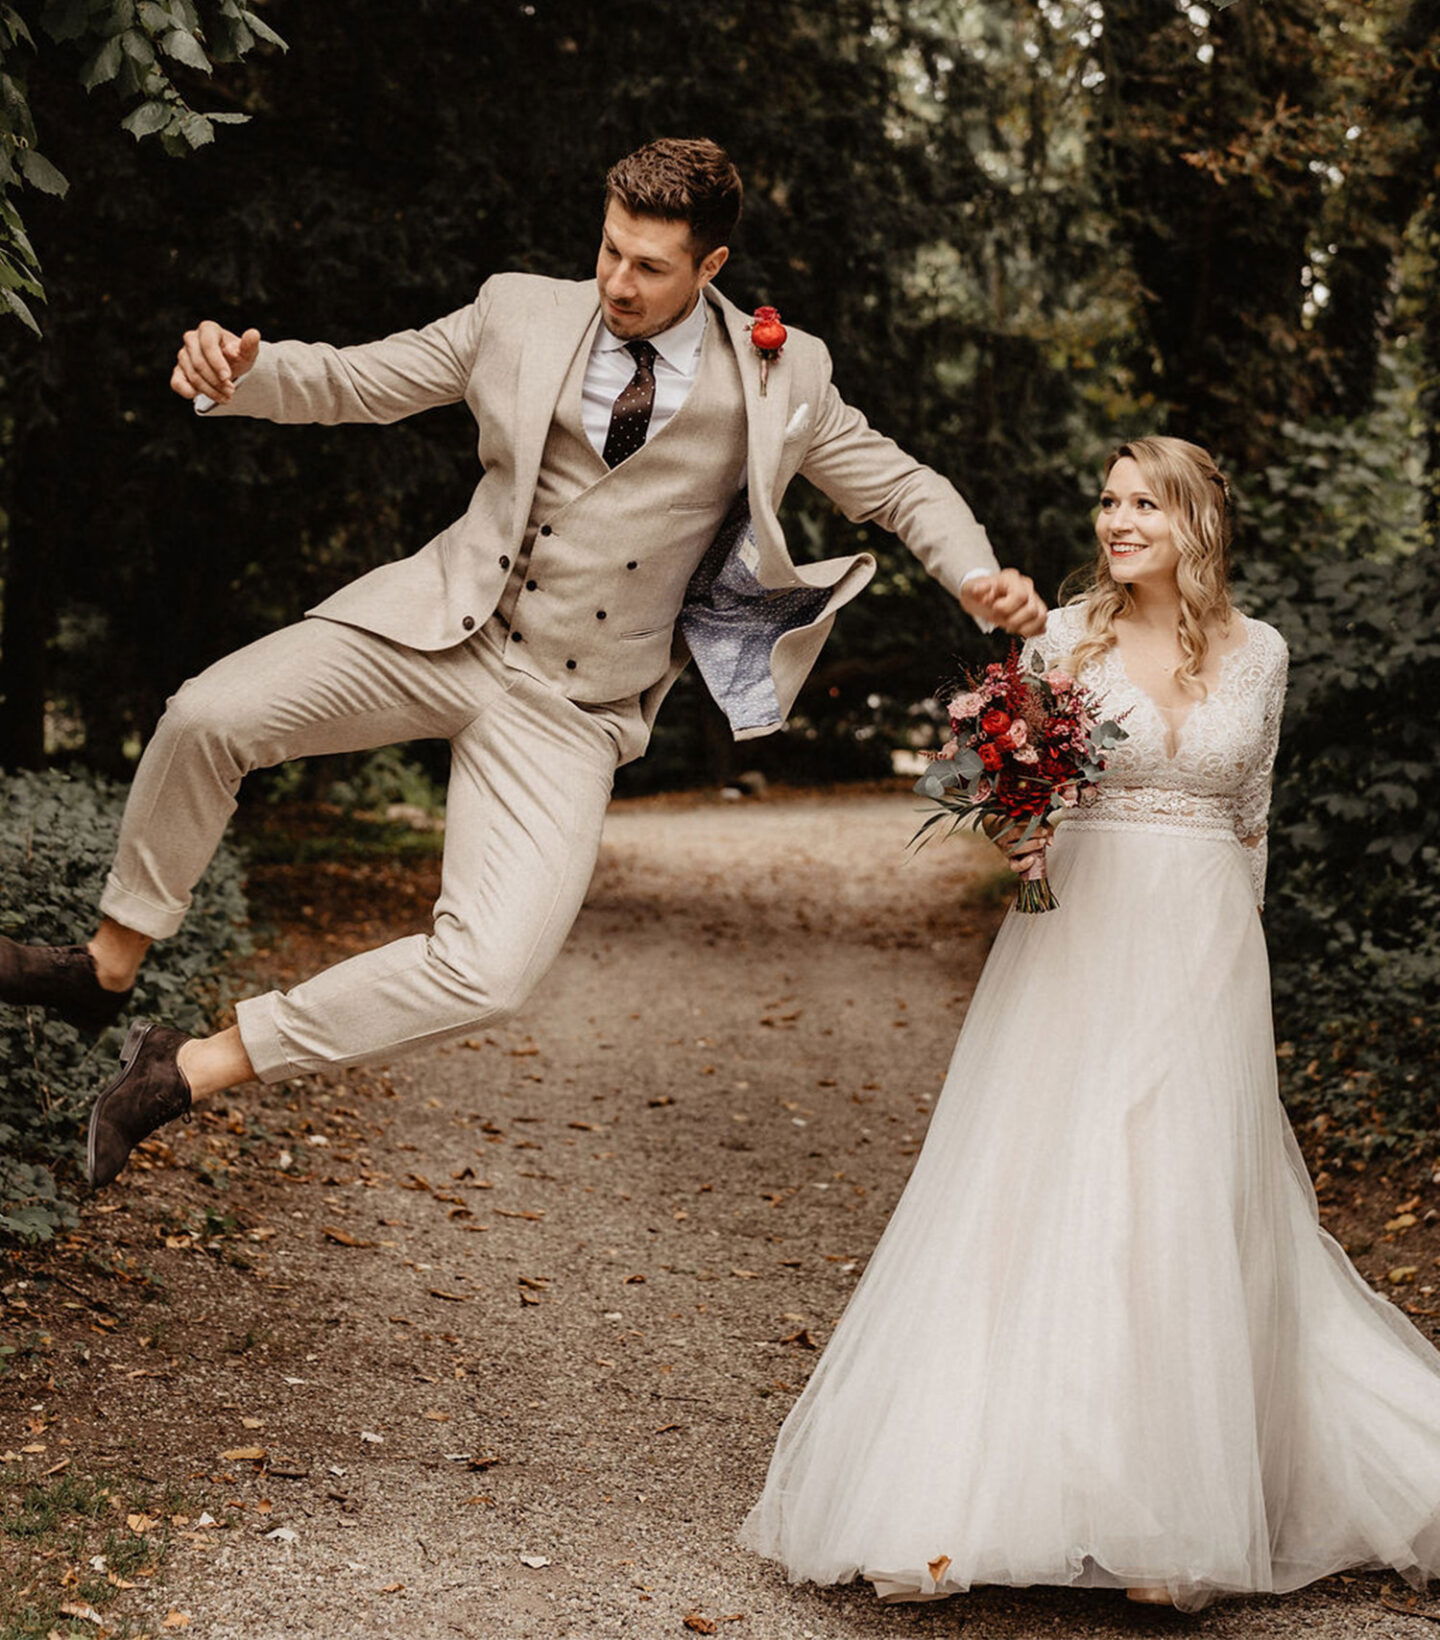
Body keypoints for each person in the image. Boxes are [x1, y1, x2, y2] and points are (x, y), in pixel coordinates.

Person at [0, 137, 1045, 1188]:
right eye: (609, 251)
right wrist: (243, 370)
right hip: (442, 626)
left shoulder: (783, 373)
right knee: (204, 715)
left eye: (649, 266)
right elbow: (359, 380)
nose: (618, 282)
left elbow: (900, 485)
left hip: (572, 703)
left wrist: (973, 573)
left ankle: (183, 1069)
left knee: (490, 973)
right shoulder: (517, 311)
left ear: (711, 268)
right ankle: (106, 966)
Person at [741, 436, 1440, 1613]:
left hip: (1210, 947)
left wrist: (1243, 965)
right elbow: (1016, 781)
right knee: (1055, 1181)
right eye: (1109, 501)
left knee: (1182, 1193)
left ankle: (1179, 1510)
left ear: (1196, 522)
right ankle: (968, 1494)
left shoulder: (1261, 654)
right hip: (1081, 942)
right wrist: (1015, 832)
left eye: (1144, 504)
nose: (1118, 521)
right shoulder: (1066, 638)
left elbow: (1252, 818)